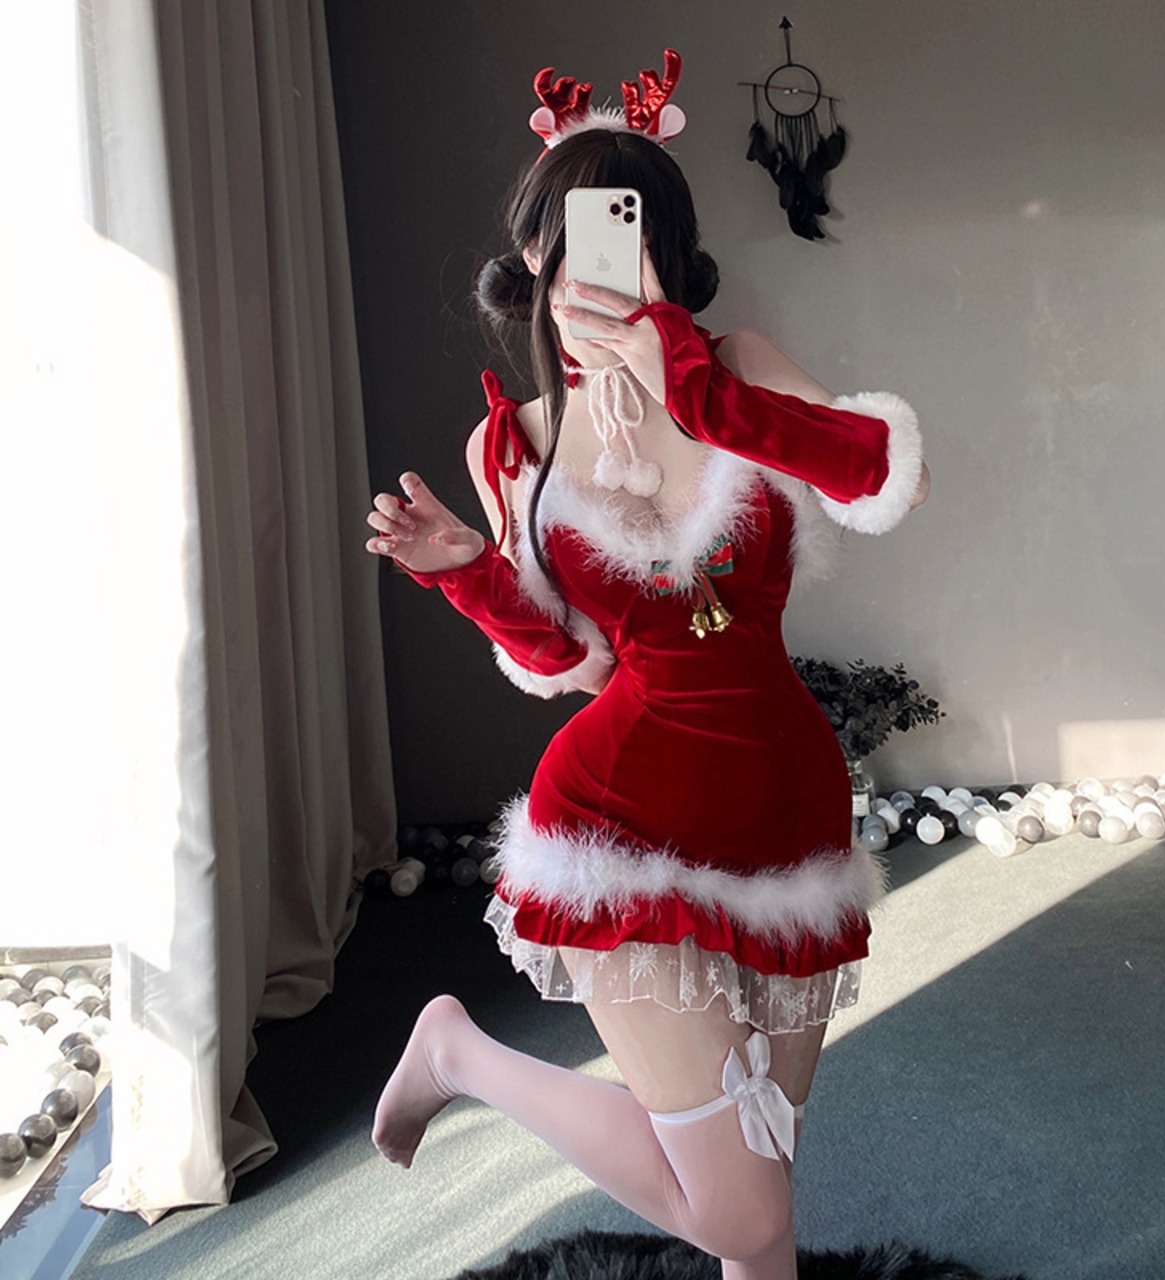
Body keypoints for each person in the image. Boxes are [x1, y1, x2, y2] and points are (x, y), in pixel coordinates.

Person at [364, 51, 929, 1280]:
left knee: (759, 1193)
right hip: (623, 820)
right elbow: (566, 659)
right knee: (738, 1210)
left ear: (667, 253)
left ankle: (460, 1056)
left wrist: (698, 391)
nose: (596, 269)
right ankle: (459, 1053)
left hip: (786, 815)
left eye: (627, 236)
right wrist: (468, 572)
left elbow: (886, 474)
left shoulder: (738, 366)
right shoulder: (512, 444)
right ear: (532, 259)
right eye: (568, 241)